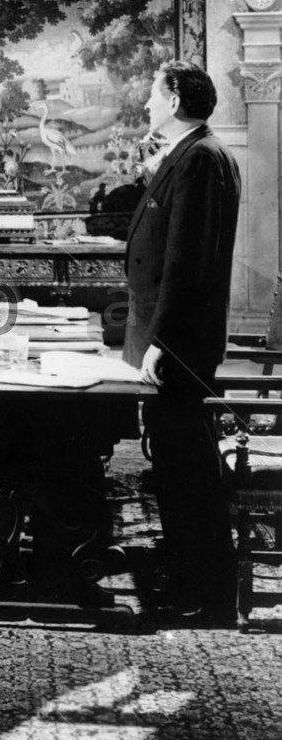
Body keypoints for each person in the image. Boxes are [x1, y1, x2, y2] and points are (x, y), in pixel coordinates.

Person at [124, 60, 241, 622]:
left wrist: (162, 341)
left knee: (187, 469)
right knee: (174, 465)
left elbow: (186, 263)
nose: (146, 104)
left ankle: (203, 594)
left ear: (173, 101)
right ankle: (187, 576)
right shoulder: (192, 155)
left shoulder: (200, 158)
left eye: (153, 94)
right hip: (173, 341)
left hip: (180, 345)